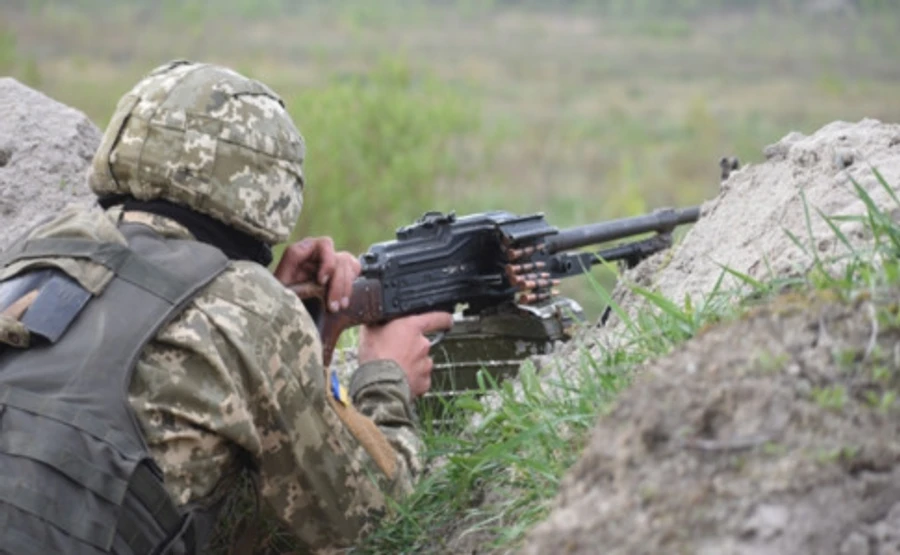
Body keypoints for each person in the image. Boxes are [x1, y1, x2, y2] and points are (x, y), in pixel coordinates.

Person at [0, 60, 452, 554]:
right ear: (263, 189)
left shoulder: (37, 253)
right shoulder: (247, 308)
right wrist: (386, 378)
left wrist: (273, 317)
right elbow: (372, 518)